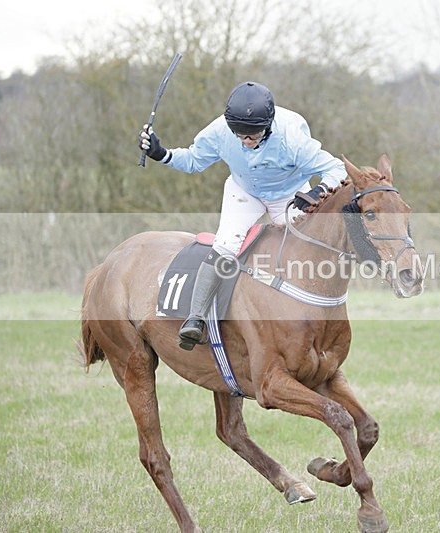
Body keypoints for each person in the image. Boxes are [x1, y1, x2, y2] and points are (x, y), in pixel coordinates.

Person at [139, 81, 346, 349]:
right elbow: (193, 160)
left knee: (304, 248)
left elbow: (337, 169)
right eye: (240, 135)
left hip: (289, 193)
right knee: (225, 246)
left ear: (268, 126)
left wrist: (317, 192)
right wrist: (161, 154)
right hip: (244, 191)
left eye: (253, 135)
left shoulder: (291, 137)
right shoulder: (219, 130)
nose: (246, 141)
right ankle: (196, 318)